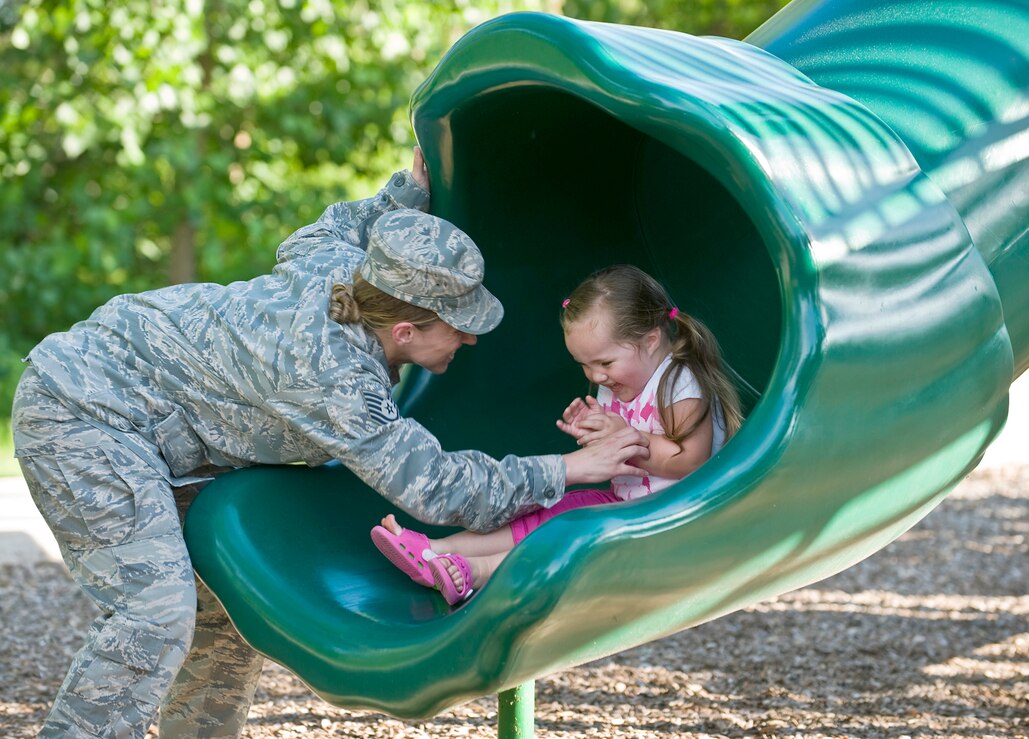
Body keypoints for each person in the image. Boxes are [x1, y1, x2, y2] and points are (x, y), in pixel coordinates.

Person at [11, 149, 649, 739]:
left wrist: (408, 194)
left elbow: (344, 222)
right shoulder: (332, 377)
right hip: (84, 412)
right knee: (152, 611)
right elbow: (439, 488)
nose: (472, 340)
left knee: (220, 623)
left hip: (151, 414)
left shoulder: (342, 269)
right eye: (459, 328)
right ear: (404, 328)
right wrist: (568, 468)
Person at [373, 264, 744, 605]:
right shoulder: (614, 385)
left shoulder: (680, 382)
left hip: (670, 519)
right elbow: (619, 449)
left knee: (565, 534)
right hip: (623, 505)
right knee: (543, 513)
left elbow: (691, 460)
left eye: (605, 363)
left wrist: (625, 437)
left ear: (650, 340)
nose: (596, 376)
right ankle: (434, 552)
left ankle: (478, 573)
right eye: (584, 365)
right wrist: (595, 431)